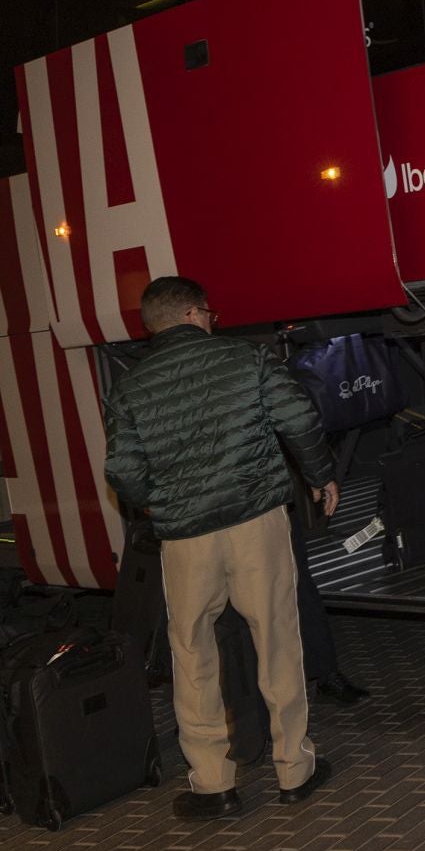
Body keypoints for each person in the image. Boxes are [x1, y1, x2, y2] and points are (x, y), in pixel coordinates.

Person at [105, 277, 339, 821]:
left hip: (185, 538)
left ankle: (214, 784)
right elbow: (298, 417)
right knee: (277, 639)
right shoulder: (246, 358)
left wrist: (157, 502)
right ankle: (294, 771)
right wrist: (320, 474)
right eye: (209, 311)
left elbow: (121, 468)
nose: (214, 319)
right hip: (255, 519)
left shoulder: (131, 386)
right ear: (191, 313)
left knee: (191, 655)